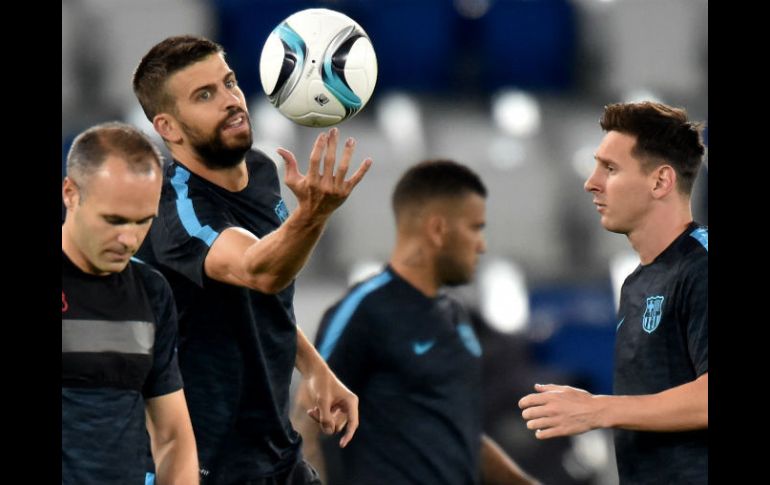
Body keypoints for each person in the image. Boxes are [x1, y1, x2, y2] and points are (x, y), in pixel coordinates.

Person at [131, 35, 371, 484]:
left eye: (229, 82)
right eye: (205, 95)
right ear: (168, 127)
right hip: (203, 463)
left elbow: (259, 299)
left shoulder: (259, 171)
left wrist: (315, 369)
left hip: (274, 451)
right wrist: (314, 215)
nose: (231, 101)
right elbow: (259, 271)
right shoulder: (175, 207)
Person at [305, 160, 538, 485]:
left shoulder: (456, 315)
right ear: (438, 229)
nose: (481, 244)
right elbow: (308, 420)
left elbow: (463, 434)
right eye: (475, 228)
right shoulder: (364, 309)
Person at [519, 101, 708, 483]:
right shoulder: (637, 281)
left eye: (610, 168)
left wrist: (599, 409)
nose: (591, 182)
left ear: (660, 182)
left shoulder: (702, 266)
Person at [61, 122, 198, 484]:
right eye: (114, 220)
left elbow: (173, 438)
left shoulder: (152, 290)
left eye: (143, 221)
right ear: (70, 193)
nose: (129, 238)